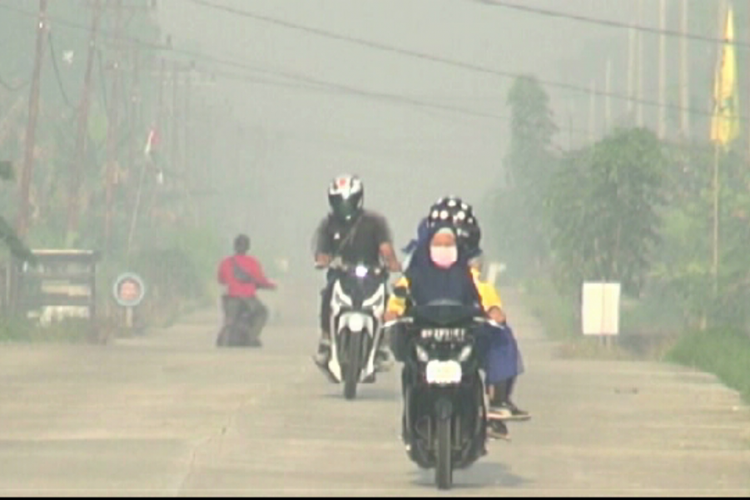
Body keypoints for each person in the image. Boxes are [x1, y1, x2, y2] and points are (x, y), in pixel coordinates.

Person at [312, 174, 402, 370]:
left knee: (387, 301)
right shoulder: (328, 224)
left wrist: (392, 263)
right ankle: (326, 340)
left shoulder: (374, 222)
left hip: (373, 276)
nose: (344, 206)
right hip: (341, 275)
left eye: (347, 201)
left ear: (358, 199)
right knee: (327, 295)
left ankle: (382, 344)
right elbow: (321, 251)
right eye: (339, 202)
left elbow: (385, 247)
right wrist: (323, 260)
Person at [217, 234, 277, 346]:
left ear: (234, 246)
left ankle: (226, 336)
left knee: (229, 320)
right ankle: (252, 337)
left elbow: (221, 280)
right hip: (248, 299)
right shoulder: (252, 262)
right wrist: (271, 286)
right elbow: (260, 280)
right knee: (262, 313)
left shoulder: (226, 262)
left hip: (231, 298)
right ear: (247, 247)